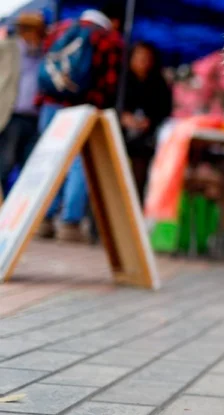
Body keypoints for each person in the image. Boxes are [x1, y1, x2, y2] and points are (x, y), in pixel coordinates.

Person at [36, 4, 124, 242]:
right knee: (79, 164)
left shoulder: (61, 28)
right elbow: (109, 81)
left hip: (51, 104)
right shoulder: (109, 38)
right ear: (115, 19)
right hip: (82, 107)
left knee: (46, 160)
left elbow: (44, 62)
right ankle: (70, 223)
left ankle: (41, 219)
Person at [0, 12, 46, 194]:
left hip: (34, 117)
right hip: (12, 114)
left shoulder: (42, 52)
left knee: (28, 165)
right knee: (5, 163)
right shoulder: (8, 48)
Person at [121, 41, 172, 202]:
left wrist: (150, 121)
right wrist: (123, 117)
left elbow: (165, 110)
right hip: (120, 136)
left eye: (146, 58)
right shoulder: (122, 81)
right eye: (139, 57)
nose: (142, 61)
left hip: (144, 142)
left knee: (138, 180)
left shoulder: (158, 83)